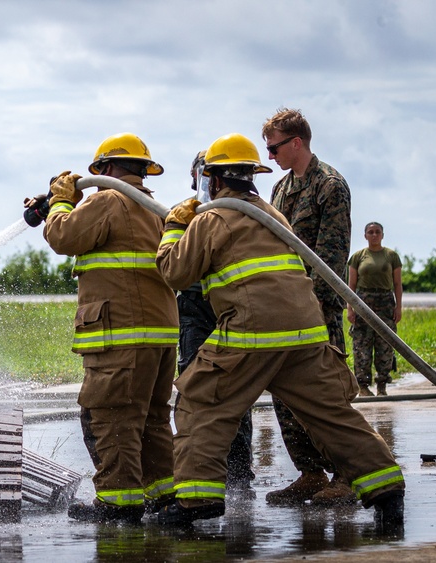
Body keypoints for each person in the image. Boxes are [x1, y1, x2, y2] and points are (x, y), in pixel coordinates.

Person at [154, 132, 405, 529]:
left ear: (213, 180)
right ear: (251, 175)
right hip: (306, 333)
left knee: (200, 403)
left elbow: (173, 272)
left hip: (252, 334)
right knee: (332, 415)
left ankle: (196, 501)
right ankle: (387, 488)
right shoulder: (273, 214)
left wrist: (174, 225)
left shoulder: (211, 218)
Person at [38, 132, 179, 524]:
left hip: (121, 340)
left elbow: (64, 235)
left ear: (105, 170)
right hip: (160, 338)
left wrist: (62, 201)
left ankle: (119, 502)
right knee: (151, 420)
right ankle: (161, 496)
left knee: (111, 417)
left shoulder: (107, 200)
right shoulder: (155, 210)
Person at [262, 108, 355, 506]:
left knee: (326, 396)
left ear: (296, 142)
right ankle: (311, 473)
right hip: (286, 310)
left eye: (275, 147)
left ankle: (348, 475)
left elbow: (330, 260)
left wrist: (308, 307)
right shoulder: (280, 190)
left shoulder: (330, 187)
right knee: (286, 397)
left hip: (316, 313)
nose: (270, 156)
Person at [177, 151, 255, 498]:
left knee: (236, 388)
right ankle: (202, 473)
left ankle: (237, 472)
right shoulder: (183, 213)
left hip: (231, 306)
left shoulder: (246, 210)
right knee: (198, 385)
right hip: (195, 306)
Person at [348, 222, 403, 397]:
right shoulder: (358, 257)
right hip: (363, 302)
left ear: (382, 235)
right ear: (365, 235)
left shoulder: (391, 256)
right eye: (370, 232)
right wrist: (350, 308)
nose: (374, 235)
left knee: (385, 345)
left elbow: (397, 284)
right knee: (362, 346)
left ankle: (382, 386)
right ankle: (363, 386)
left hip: (385, 302)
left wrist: (399, 307)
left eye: (377, 232)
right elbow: (351, 285)